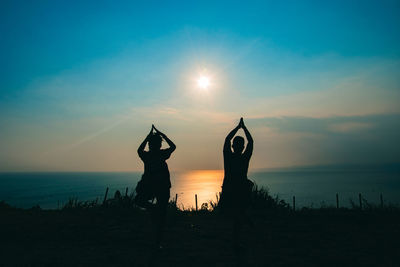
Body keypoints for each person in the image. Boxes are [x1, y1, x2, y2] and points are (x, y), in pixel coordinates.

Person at [135, 124, 176, 247]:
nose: (150, 146)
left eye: (150, 144)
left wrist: (148, 138)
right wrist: (163, 135)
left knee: (158, 213)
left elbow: (139, 150)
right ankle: (157, 239)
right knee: (160, 214)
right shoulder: (159, 154)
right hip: (157, 187)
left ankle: (157, 241)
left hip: (158, 187)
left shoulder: (149, 156)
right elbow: (173, 146)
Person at [219, 117, 254, 247]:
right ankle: (238, 234)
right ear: (242, 147)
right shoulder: (244, 158)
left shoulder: (228, 157)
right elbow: (251, 141)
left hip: (231, 189)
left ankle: (236, 238)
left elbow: (227, 139)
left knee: (236, 215)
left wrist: (238, 128)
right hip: (240, 190)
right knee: (237, 214)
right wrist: (243, 128)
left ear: (233, 146)